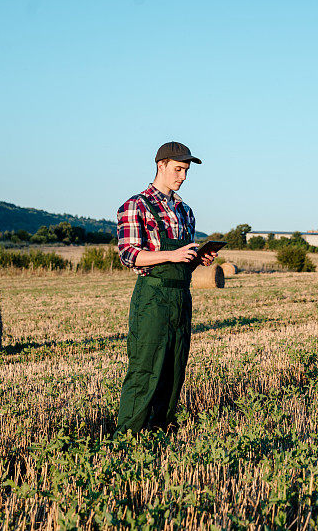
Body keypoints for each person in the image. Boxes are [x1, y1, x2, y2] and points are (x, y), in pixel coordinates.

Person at [114, 141, 216, 435]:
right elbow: (129, 255)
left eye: (186, 171)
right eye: (178, 169)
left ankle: (160, 429)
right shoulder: (136, 205)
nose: (183, 176)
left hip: (181, 295)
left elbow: (181, 261)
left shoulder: (185, 210)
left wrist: (197, 260)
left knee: (174, 367)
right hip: (152, 295)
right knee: (146, 366)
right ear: (161, 165)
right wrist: (171, 254)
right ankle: (127, 435)